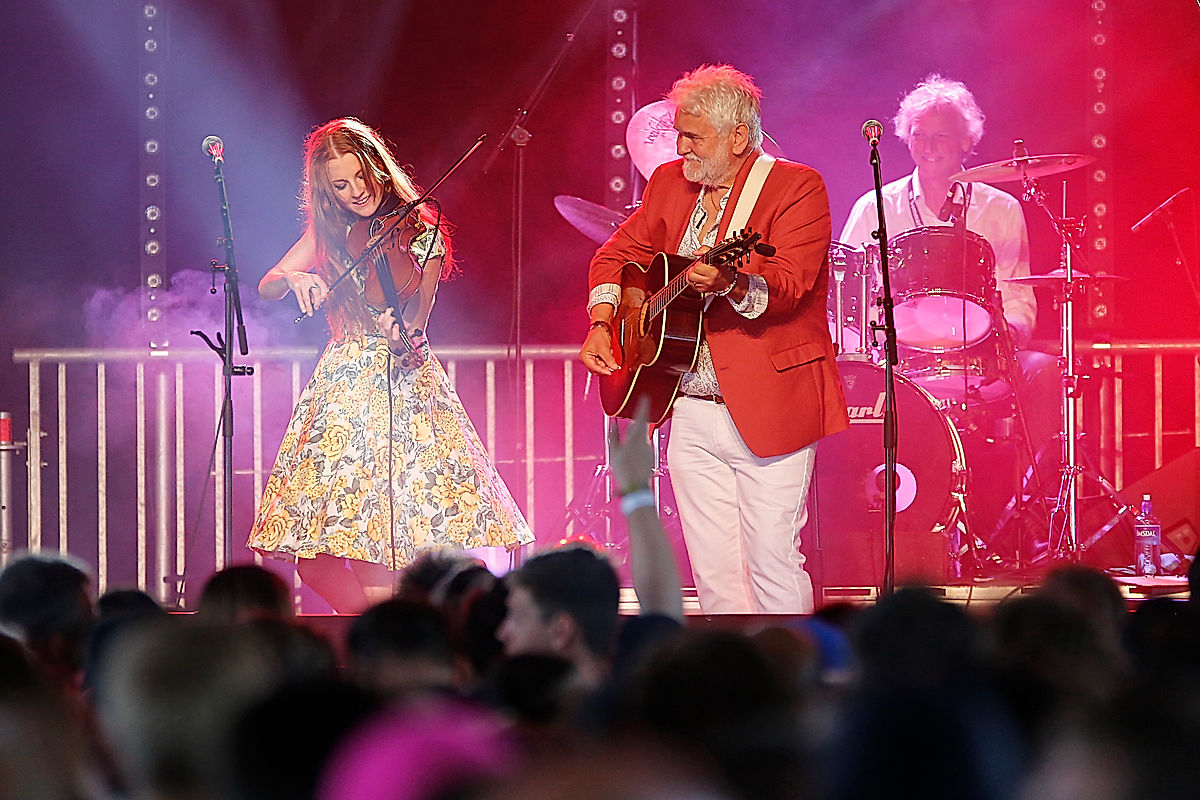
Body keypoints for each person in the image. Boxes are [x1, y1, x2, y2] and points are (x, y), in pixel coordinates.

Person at [579, 64, 849, 614]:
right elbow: (614, 254)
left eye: (692, 136)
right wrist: (604, 321)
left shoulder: (797, 187)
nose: (679, 147)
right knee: (715, 574)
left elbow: (790, 286)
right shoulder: (668, 183)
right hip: (691, 406)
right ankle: (734, 691)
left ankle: (797, 686)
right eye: (679, 133)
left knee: (773, 559)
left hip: (774, 400)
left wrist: (731, 281)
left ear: (738, 137)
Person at [247, 118, 533, 614]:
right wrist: (294, 278)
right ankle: (380, 634)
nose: (357, 192)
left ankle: (392, 646)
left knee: (384, 547)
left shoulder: (419, 231)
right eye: (341, 185)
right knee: (315, 559)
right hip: (341, 389)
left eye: (363, 176)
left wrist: (404, 333)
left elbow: (417, 321)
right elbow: (267, 283)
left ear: (380, 168)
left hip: (398, 386)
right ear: (325, 191)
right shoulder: (332, 234)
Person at [839, 74, 1060, 546]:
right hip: (897, 363)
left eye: (942, 135)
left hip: (983, 359)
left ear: (966, 142)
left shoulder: (1001, 208)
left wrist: (1007, 336)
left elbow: (1019, 297)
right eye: (919, 134)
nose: (929, 145)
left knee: (1045, 373)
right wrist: (866, 353)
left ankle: (1028, 515)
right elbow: (846, 298)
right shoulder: (875, 205)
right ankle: (860, 524)